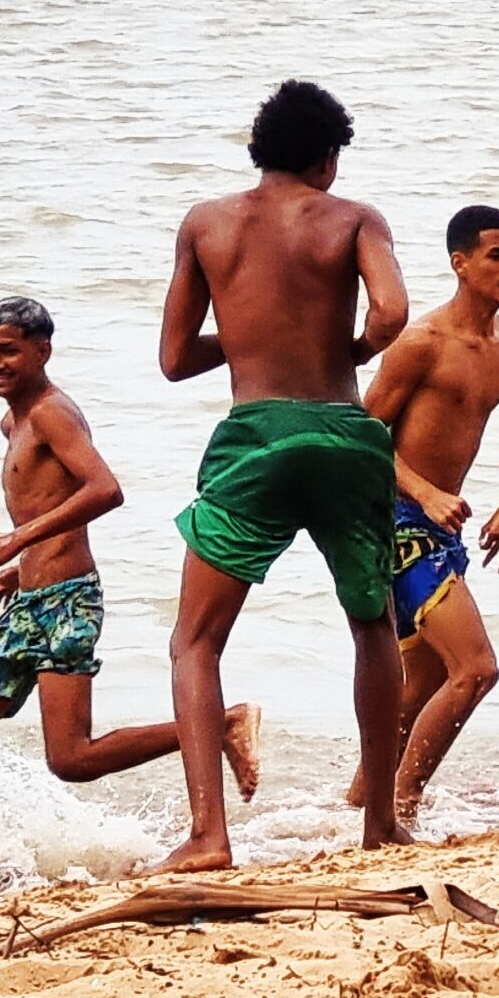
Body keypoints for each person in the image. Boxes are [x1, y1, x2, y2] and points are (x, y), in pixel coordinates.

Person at [158, 80, 410, 871]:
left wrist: (247, 334)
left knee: (194, 641)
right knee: (371, 625)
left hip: (256, 438)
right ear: (328, 160)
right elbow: (393, 313)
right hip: (342, 433)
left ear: (258, 150)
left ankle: (208, 835)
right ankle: (379, 824)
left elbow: (172, 359)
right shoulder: (354, 219)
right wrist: (351, 350)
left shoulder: (205, 224)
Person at [0, 298, 261, 818]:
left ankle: (220, 724)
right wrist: (25, 566)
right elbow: (52, 500)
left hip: (67, 603)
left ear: (42, 352)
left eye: (9, 352)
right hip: (31, 601)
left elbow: (105, 489)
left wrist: (15, 541)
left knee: (71, 758)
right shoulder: (12, 423)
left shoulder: (50, 414)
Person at [346, 205, 499, 821]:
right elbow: (363, 435)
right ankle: (402, 804)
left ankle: (357, 805)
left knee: (420, 685)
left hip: (442, 530)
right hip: (395, 523)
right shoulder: (419, 345)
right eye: (495, 256)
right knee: (476, 670)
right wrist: (425, 492)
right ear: (460, 263)